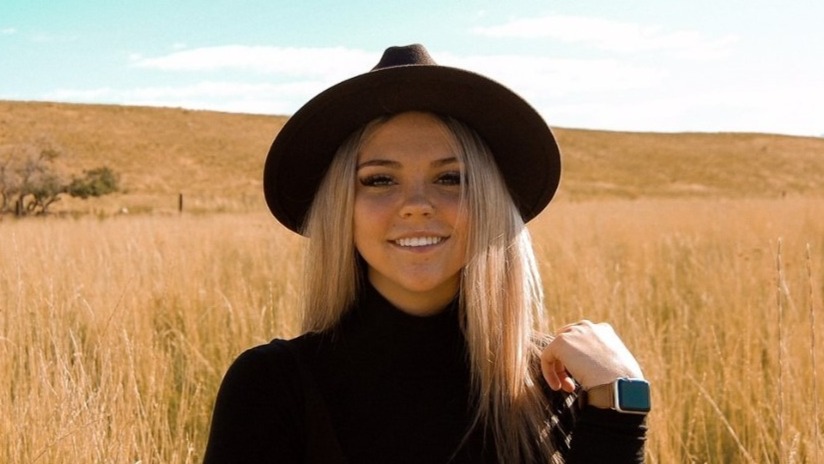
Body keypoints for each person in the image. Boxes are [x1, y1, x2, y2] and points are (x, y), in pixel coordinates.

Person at [203, 44, 649, 464]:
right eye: (379, 180)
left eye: (451, 178)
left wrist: (620, 403)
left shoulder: (557, 382)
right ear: (342, 209)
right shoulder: (271, 387)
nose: (417, 204)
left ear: (489, 203)